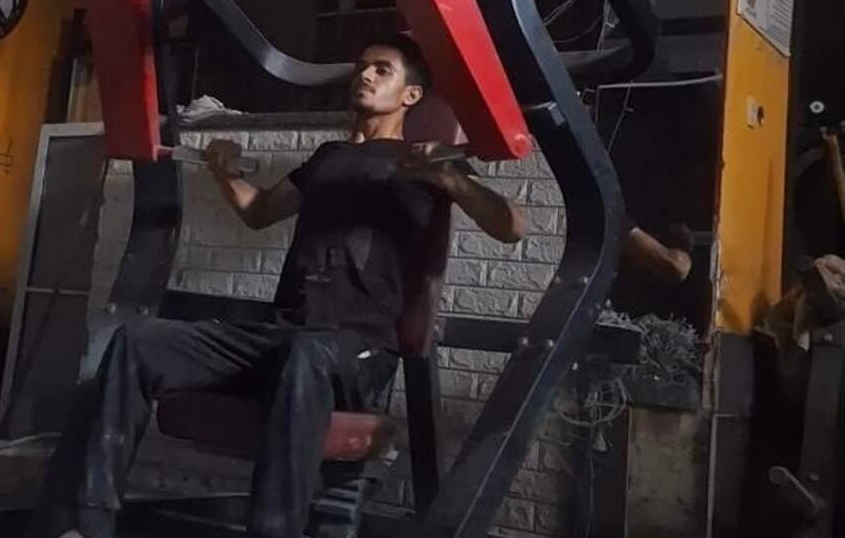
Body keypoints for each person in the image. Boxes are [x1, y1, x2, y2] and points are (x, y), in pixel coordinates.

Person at [31, 35, 527, 538]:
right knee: (138, 341)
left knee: (307, 356)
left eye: (382, 69)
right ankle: (88, 523)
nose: (365, 75)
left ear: (411, 95)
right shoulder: (327, 157)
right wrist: (224, 172)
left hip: (358, 349)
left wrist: (450, 180)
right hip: (284, 338)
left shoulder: (428, 161)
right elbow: (259, 211)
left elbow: (511, 227)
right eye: (362, 65)